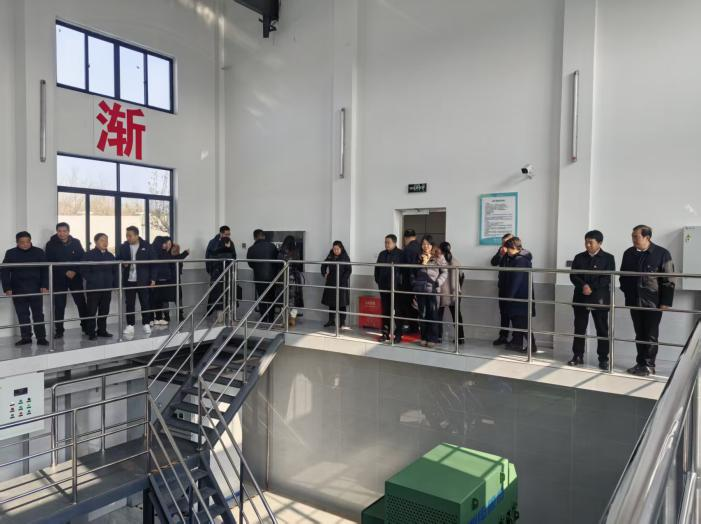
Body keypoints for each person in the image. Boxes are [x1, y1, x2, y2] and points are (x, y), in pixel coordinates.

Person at [620, 225, 675, 376]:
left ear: (647, 237)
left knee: (651, 334)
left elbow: (669, 280)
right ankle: (640, 363)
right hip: (634, 301)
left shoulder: (662, 253)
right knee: (639, 334)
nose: (633, 239)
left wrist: (665, 302)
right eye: (632, 236)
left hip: (653, 303)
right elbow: (623, 276)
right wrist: (628, 293)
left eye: (636, 236)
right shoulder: (629, 253)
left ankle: (649, 365)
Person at [568, 230, 616, 369]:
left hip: (599, 298)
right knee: (579, 328)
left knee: (602, 329)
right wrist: (583, 285)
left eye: (591, 242)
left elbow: (607, 278)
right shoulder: (579, 257)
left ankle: (603, 359)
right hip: (580, 297)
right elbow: (573, 275)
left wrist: (591, 287)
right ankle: (577, 355)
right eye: (586, 242)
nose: (588, 245)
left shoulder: (608, 258)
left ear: (600, 243)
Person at [1, 232, 49, 346]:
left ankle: (41, 338)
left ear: (30, 241)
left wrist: (45, 285)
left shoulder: (39, 252)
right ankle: (26, 337)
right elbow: (4, 271)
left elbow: (45, 270)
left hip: (36, 288)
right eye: (22, 242)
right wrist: (7, 288)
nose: (25, 244)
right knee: (22, 314)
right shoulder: (11, 253)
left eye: (27, 241)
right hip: (18, 289)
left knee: (38, 314)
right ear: (17, 242)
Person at [45, 222, 88, 338]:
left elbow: (82, 258)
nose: (62, 233)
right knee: (59, 305)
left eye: (64, 231)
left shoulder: (76, 242)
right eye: (59, 231)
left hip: (75, 277)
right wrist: (65, 271)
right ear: (57, 231)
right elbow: (50, 261)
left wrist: (74, 270)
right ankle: (59, 330)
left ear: (68, 231)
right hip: (59, 278)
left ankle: (86, 327)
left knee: (81, 303)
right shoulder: (50, 244)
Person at [117, 226, 156, 336]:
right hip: (129, 280)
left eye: (130, 236)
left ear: (137, 235)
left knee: (145, 302)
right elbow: (117, 259)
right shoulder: (124, 247)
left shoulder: (147, 246)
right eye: (127, 236)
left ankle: (146, 324)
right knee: (129, 304)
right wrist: (123, 263)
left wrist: (153, 279)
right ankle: (130, 325)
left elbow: (154, 263)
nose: (128, 238)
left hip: (143, 280)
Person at [501, 237, 538, 353]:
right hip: (520, 296)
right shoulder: (517, 258)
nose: (507, 251)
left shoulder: (520, 260)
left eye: (508, 248)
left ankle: (532, 346)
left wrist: (509, 296)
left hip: (519, 297)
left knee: (522, 323)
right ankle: (517, 343)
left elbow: (516, 280)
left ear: (514, 247)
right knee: (518, 321)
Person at [412, 235, 447, 348]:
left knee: (433, 314)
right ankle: (424, 337)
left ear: (432, 245)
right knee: (422, 314)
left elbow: (445, 272)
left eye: (428, 244)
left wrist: (437, 283)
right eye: (423, 244)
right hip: (420, 289)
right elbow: (412, 272)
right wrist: (414, 283)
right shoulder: (418, 257)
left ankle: (432, 338)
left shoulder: (438, 256)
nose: (425, 246)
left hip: (433, 290)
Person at [82, 233, 117, 340]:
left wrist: (113, 284)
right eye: (102, 240)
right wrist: (93, 280)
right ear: (96, 242)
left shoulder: (110, 256)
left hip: (107, 288)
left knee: (104, 310)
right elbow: (84, 270)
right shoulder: (88, 255)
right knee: (92, 311)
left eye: (106, 240)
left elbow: (115, 271)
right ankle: (91, 332)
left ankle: (102, 330)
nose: (105, 242)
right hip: (94, 288)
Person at [374, 234, 403, 342]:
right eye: (385, 242)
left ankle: (398, 334)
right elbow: (377, 269)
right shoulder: (382, 254)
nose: (386, 244)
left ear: (394, 243)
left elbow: (403, 271)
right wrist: (378, 281)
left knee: (397, 311)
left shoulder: (400, 254)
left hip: (396, 288)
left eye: (388, 242)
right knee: (385, 311)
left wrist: (399, 284)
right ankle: (385, 333)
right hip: (383, 287)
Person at [247, 230, 280, 323]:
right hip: (272, 277)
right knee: (271, 298)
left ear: (254, 237)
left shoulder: (251, 249)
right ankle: (271, 318)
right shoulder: (272, 246)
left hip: (259, 277)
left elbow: (250, 264)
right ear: (264, 236)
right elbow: (278, 260)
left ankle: (264, 319)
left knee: (262, 298)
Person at [436, 242, 465, 345]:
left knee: (439, 315)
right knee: (457, 316)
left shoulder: (439, 261)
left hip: (442, 292)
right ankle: (460, 338)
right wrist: (458, 288)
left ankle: (438, 337)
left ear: (440, 250)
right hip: (455, 292)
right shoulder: (456, 261)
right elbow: (462, 276)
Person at [206, 229, 236, 322]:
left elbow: (234, 256)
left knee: (222, 294)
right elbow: (208, 257)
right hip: (220, 273)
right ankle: (221, 316)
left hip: (224, 273)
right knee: (219, 294)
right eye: (226, 234)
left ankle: (223, 315)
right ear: (221, 233)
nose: (228, 235)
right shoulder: (213, 243)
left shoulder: (229, 243)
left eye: (229, 234)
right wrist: (210, 270)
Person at [321, 241, 352, 328]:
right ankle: (331, 321)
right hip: (331, 282)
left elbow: (349, 270)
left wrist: (343, 280)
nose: (335, 251)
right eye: (334, 249)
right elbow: (323, 265)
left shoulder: (345, 257)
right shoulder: (330, 255)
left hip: (342, 283)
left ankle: (342, 322)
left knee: (342, 303)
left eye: (337, 249)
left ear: (341, 248)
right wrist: (324, 273)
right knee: (331, 303)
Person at [491, 233, 514, 345]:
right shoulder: (502, 250)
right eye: (503, 242)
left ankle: (516, 338)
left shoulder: (517, 252)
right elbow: (493, 262)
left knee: (514, 312)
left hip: (513, 287)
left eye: (506, 242)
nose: (504, 245)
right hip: (503, 286)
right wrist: (500, 254)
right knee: (503, 312)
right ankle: (503, 336)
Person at [399, 229, 421, 334]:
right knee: (417, 305)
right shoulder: (421, 247)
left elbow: (402, 268)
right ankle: (418, 328)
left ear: (405, 238)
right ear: (415, 237)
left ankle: (413, 328)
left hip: (408, 282)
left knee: (408, 305)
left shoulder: (406, 249)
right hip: (420, 282)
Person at [151, 236, 176, 326]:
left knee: (159, 300)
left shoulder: (163, 252)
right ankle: (153, 318)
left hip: (162, 279)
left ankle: (158, 318)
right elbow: (156, 266)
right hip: (156, 279)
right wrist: (153, 278)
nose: (165, 245)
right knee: (155, 300)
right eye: (164, 243)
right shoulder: (156, 252)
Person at [278, 235, 304, 313]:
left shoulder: (280, 252)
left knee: (283, 298)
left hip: (282, 277)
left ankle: (284, 316)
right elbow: (298, 264)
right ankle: (292, 317)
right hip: (293, 277)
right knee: (293, 298)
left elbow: (278, 264)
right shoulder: (295, 251)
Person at [170, 242, 190, 322]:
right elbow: (176, 258)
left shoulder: (178, 257)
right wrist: (185, 253)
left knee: (179, 297)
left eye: (177, 249)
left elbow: (178, 258)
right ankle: (177, 315)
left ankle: (180, 314)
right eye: (175, 249)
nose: (176, 250)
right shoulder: (170, 256)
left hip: (176, 279)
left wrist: (184, 254)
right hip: (171, 279)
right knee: (176, 297)